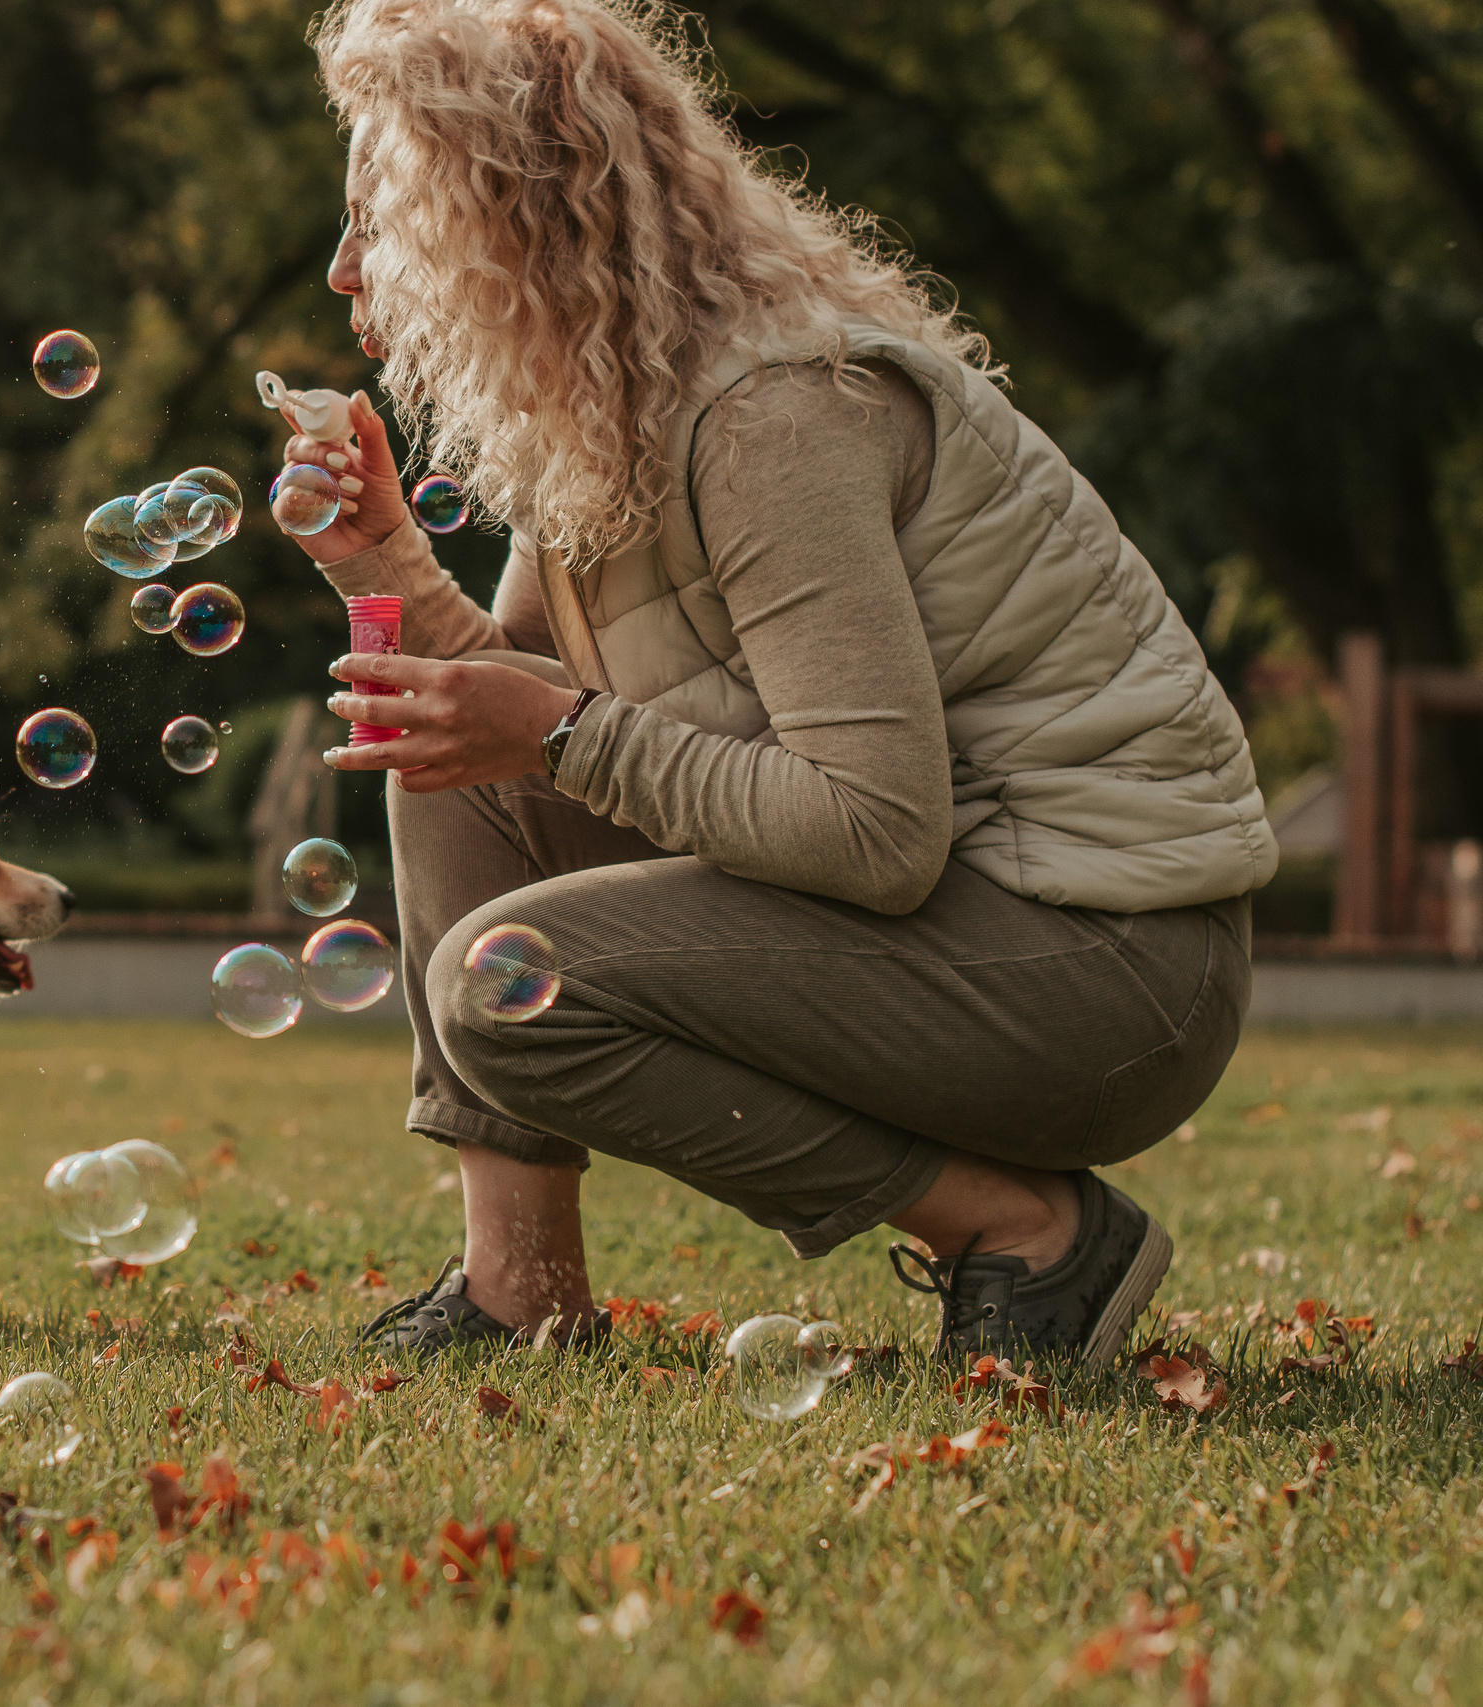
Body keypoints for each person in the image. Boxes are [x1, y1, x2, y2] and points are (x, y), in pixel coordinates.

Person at [284, 0, 1277, 1365]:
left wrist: (557, 729)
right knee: (453, 771)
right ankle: (520, 1295)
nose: (343, 272)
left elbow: (872, 830)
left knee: (504, 975)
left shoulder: (773, 417)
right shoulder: (601, 410)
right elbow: (511, 714)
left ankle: (1026, 1231)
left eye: (378, 221)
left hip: (1103, 967)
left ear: (508, 215)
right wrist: (384, 559)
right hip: (959, 918)